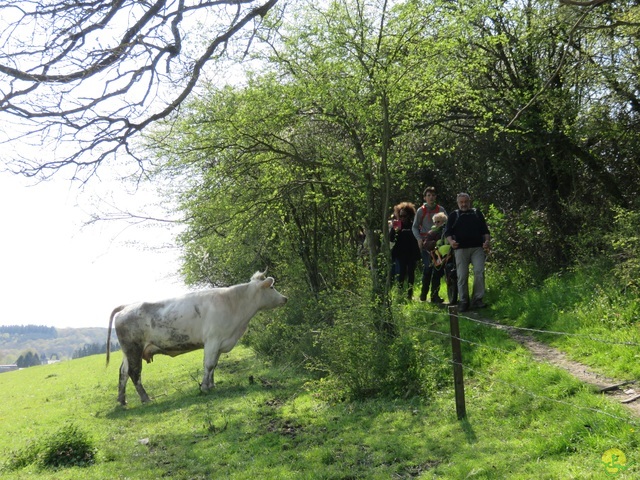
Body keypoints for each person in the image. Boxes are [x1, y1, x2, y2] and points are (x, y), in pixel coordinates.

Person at [444, 193, 491, 312]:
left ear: (470, 201)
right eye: (461, 202)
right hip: (460, 249)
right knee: (462, 276)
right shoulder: (454, 215)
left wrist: (486, 241)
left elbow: (485, 230)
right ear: (458, 203)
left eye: (466, 202)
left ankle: (477, 300)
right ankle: (464, 301)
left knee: (479, 272)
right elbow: (448, 232)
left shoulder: (477, 213)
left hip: (477, 248)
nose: (464, 204)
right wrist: (451, 242)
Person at [412, 186, 447, 303]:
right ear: (425, 197)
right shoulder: (421, 211)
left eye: (433, 195)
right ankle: (423, 294)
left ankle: (435, 296)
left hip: (439, 244)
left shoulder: (441, 209)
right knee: (428, 269)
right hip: (426, 244)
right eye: (429, 195)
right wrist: (418, 239)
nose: (431, 197)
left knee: (438, 269)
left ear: (435, 197)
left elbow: (447, 224)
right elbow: (415, 227)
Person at [390, 202, 421, 300]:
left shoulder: (414, 226)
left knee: (411, 274)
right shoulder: (396, 226)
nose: (402, 218)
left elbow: (417, 238)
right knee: (401, 274)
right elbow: (391, 239)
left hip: (412, 253)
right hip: (400, 254)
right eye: (400, 216)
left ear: (409, 215)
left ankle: (409, 294)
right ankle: (400, 293)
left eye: (404, 216)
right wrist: (395, 230)